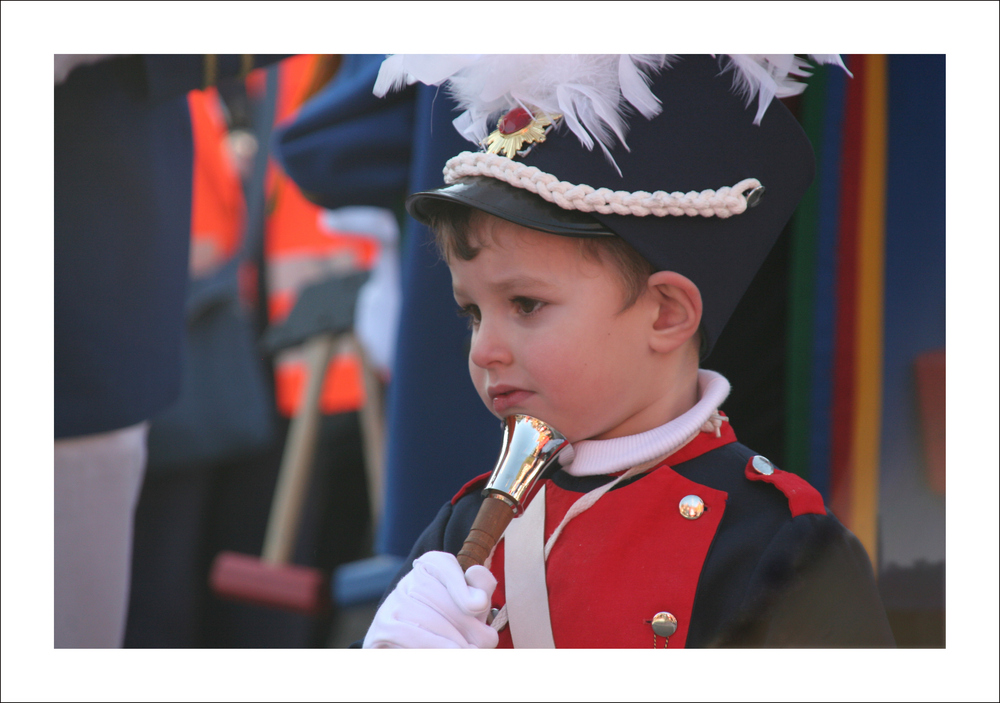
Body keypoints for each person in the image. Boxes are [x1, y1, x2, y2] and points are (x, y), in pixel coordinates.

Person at [359, 54, 895, 648]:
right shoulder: (458, 528)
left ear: (666, 313)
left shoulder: (778, 545)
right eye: (472, 313)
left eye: (526, 304)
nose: (484, 349)